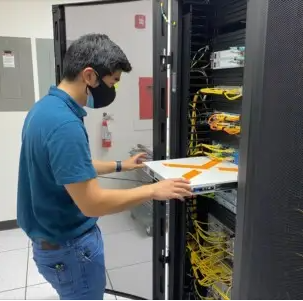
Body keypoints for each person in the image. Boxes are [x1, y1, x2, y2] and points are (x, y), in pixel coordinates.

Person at [17, 33, 192, 300]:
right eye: (113, 82)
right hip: (70, 249)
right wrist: (154, 191)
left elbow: (75, 168)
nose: (113, 90)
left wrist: (123, 165)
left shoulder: (44, 110)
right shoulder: (65, 125)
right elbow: (92, 203)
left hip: (51, 244)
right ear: (89, 76)